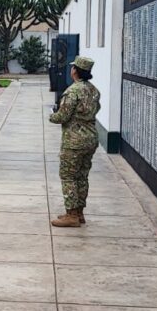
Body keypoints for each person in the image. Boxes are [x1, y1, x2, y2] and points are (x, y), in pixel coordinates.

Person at [49, 57, 102, 227]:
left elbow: (62, 116)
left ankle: (71, 215)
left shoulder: (73, 91)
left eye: (73, 68)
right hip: (91, 138)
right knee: (82, 176)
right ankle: (79, 213)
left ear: (76, 71)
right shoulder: (93, 90)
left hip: (74, 141)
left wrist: (52, 115)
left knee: (68, 176)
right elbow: (97, 109)